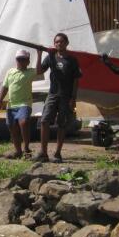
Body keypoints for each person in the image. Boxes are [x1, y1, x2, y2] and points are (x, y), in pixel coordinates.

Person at [34, 33, 82, 163]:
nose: (58, 44)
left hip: (66, 96)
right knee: (44, 121)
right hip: (52, 94)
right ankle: (43, 153)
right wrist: (39, 55)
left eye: (61, 42)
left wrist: (74, 98)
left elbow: (76, 80)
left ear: (66, 43)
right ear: (54, 44)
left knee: (62, 124)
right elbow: (38, 72)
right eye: (56, 42)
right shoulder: (50, 57)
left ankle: (57, 153)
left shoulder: (72, 60)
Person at [0, 49, 41, 159]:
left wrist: (39, 54)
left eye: (23, 59)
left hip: (24, 103)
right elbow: (5, 87)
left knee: (24, 122)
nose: (21, 61)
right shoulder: (10, 72)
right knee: (12, 128)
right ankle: (18, 151)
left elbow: (40, 70)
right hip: (11, 105)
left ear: (28, 61)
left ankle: (26, 147)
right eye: (19, 59)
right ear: (16, 60)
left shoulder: (30, 72)